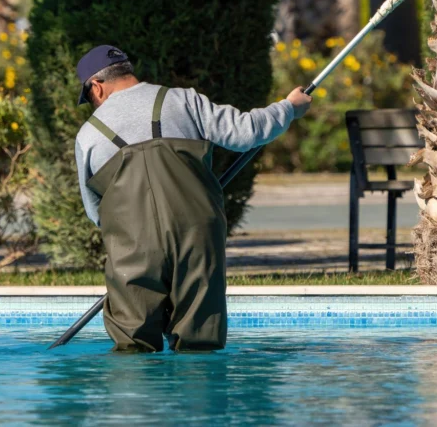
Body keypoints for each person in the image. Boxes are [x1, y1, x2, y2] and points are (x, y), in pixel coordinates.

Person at [74, 45, 312, 352]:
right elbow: (247, 132)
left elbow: (96, 212)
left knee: (132, 347)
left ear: (97, 87)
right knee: (200, 340)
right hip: (197, 234)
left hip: (132, 246)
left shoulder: (88, 135)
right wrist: (289, 107)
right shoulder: (183, 100)